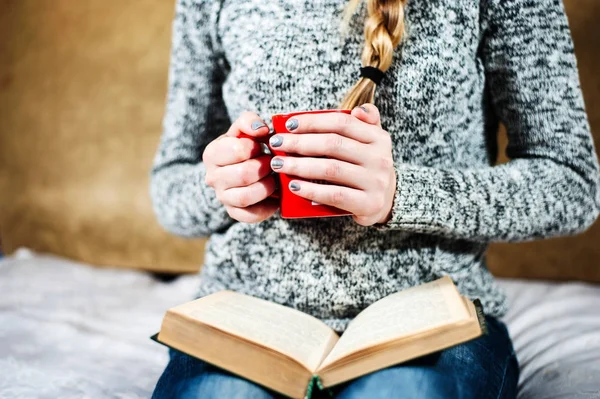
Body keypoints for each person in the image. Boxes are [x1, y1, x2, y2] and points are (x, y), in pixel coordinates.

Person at [149, 0, 600, 397]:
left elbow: (572, 181)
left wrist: (401, 195)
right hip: (247, 316)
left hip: (431, 318)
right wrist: (224, 184)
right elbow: (169, 191)